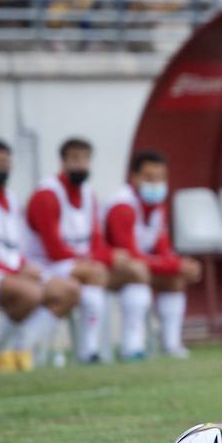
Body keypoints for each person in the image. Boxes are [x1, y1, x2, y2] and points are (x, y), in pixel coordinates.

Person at [0, 139, 79, 372]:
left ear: (11, 165)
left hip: (14, 271)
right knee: (30, 294)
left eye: (3, 162)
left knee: (69, 291)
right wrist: (16, 271)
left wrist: (24, 266)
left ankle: (17, 349)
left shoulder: (11, 198)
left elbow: (14, 246)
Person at [26, 138, 151, 363]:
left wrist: (109, 256)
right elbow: (55, 250)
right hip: (45, 265)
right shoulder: (47, 194)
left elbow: (96, 241)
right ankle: (86, 351)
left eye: (85, 159)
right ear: (63, 162)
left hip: (78, 264)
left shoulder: (88, 194)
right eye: (75, 159)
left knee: (135, 271)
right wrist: (102, 257)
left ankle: (131, 347)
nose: (81, 165)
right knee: (96, 273)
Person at [104, 151, 202, 358]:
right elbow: (129, 254)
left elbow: (163, 250)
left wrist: (180, 265)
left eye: (161, 178)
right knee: (137, 272)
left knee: (176, 278)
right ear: (134, 178)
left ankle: (171, 344)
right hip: (109, 270)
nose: (156, 184)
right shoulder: (122, 206)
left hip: (139, 267)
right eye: (149, 178)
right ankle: (132, 346)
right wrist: (174, 265)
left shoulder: (157, 207)